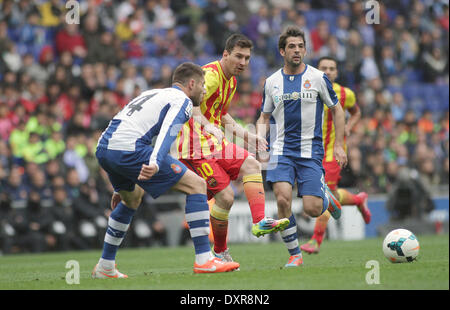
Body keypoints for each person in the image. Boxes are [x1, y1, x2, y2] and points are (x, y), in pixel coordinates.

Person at [92, 62, 240, 279]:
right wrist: (154, 160)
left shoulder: (153, 93)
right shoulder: (183, 101)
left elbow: (121, 121)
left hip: (105, 148)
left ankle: (105, 265)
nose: (205, 90)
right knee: (197, 185)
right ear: (191, 84)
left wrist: (119, 183)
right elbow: (168, 133)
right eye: (202, 85)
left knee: (132, 198)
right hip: (130, 149)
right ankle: (204, 259)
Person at [175, 34, 289, 263]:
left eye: (247, 58)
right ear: (225, 54)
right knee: (225, 197)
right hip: (194, 147)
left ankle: (259, 222)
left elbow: (221, 114)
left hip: (214, 143)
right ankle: (220, 251)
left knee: (252, 164)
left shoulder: (232, 82)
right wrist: (208, 126)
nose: (243, 62)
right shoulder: (211, 76)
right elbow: (186, 102)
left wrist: (248, 137)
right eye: (238, 56)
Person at [256, 26, 347, 267]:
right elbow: (264, 116)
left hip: (310, 152)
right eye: (292, 47)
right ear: (282, 51)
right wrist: (259, 139)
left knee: (313, 209)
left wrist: (339, 145)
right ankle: (295, 255)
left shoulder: (317, 77)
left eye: (300, 46)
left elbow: (336, 109)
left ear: (305, 50)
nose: (297, 51)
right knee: (283, 200)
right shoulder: (272, 82)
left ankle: (326, 198)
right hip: (281, 150)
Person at [300, 56, 371, 254]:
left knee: (326, 193)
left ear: (337, 72)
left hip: (333, 151)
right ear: (317, 70)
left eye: (332, 68)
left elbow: (356, 112)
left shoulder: (345, 93)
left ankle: (316, 240)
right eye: (324, 68)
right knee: (330, 192)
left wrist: (348, 127)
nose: (329, 71)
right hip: (311, 151)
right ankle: (358, 200)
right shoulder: (307, 89)